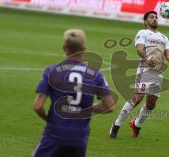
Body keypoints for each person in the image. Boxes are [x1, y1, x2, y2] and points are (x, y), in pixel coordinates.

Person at [32, 29, 115, 157]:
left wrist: (49, 119)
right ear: (84, 49)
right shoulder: (96, 75)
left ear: (64, 48)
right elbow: (109, 106)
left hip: (55, 133)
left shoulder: (51, 71)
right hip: (79, 137)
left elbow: (38, 106)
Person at [109, 11, 169, 138]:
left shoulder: (164, 37)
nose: (155, 19)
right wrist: (147, 58)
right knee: (138, 98)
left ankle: (136, 124)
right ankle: (116, 124)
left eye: (156, 17)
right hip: (145, 70)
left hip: (158, 73)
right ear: (146, 21)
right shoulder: (142, 33)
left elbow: (168, 54)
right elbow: (139, 49)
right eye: (152, 17)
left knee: (151, 104)